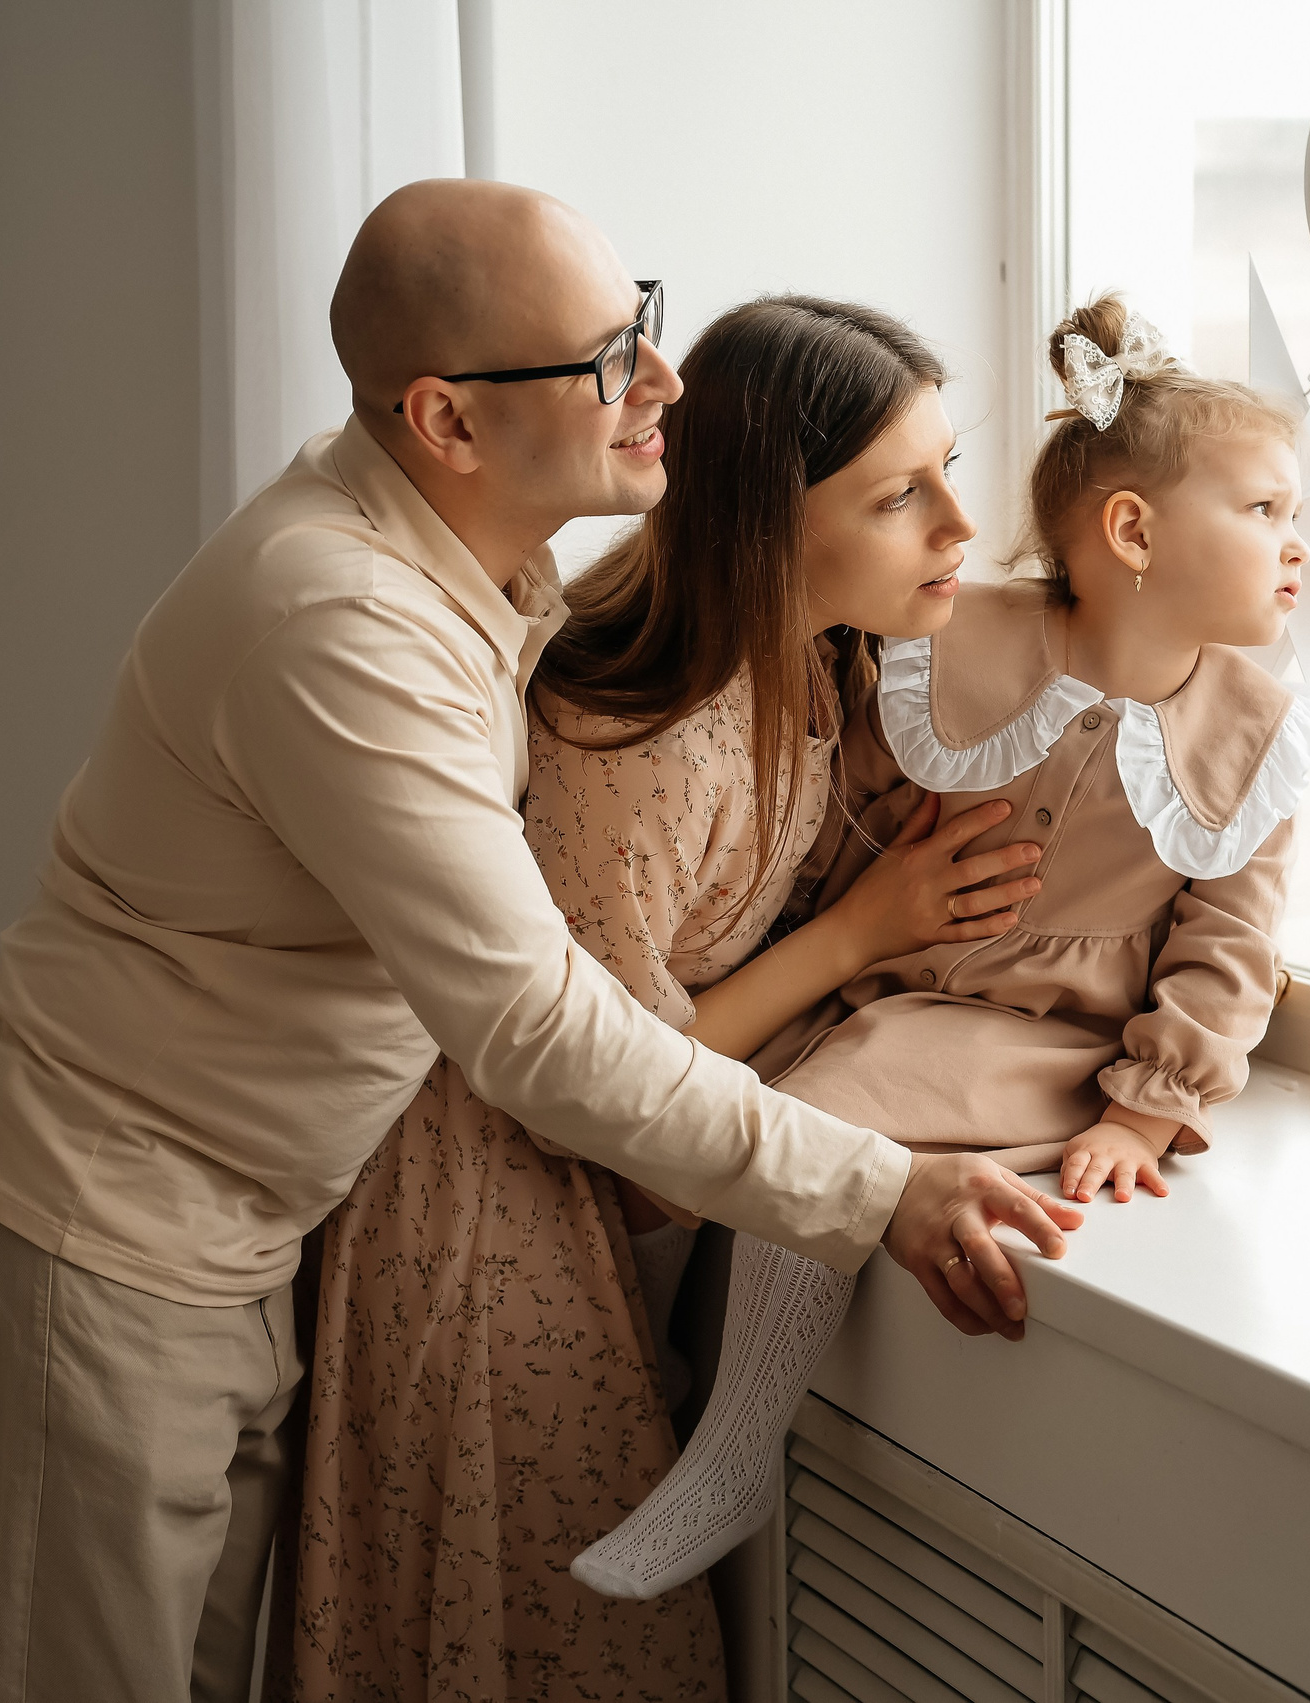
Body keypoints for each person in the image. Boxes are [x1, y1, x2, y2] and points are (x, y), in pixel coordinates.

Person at [0, 178, 1078, 1701]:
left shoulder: (482, 577)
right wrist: (881, 1189)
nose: (664, 381)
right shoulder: (342, 625)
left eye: (639, 322)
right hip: (91, 1216)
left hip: (236, 1218)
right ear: (446, 421)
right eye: (602, 360)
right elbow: (538, 1027)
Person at [270, 295, 1044, 1698]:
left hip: (617, 1205)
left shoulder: (815, 661)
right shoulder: (646, 743)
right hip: (492, 1214)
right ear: (765, 523)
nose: (959, 527)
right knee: (553, 1640)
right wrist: (856, 937)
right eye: (900, 495)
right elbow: (589, 1083)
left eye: (949, 471)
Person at [572, 294, 1310, 1601]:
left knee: (814, 1136)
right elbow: (847, 809)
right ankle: (634, 1388)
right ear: (1134, 532)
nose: (1295, 546)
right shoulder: (957, 636)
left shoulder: (1257, 732)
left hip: (1031, 1042)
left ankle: (733, 1452)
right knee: (662, 1158)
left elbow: (1231, 953)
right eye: (1266, 512)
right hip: (871, 990)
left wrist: (1146, 1116)